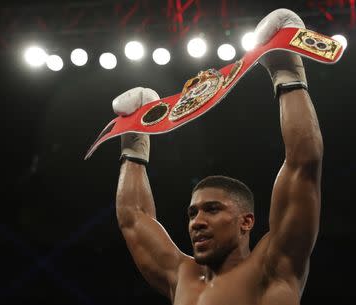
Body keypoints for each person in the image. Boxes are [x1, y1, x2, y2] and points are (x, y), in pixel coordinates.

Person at [114, 9, 322, 305]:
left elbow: (304, 163)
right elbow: (134, 218)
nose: (197, 221)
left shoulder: (274, 266)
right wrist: (133, 145)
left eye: (212, 210)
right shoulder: (181, 276)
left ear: (246, 221)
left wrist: (287, 72)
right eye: (193, 212)